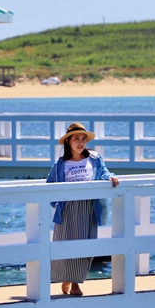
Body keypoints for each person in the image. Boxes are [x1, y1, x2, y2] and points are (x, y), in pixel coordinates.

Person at [46, 122, 119, 296]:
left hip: (88, 209)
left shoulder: (94, 158)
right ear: (68, 142)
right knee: (66, 246)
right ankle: (70, 281)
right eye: (76, 139)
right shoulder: (61, 163)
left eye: (83, 139)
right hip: (68, 210)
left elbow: (104, 173)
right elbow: (50, 184)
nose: (80, 143)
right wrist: (58, 205)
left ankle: (76, 281)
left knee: (87, 247)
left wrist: (112, 178)